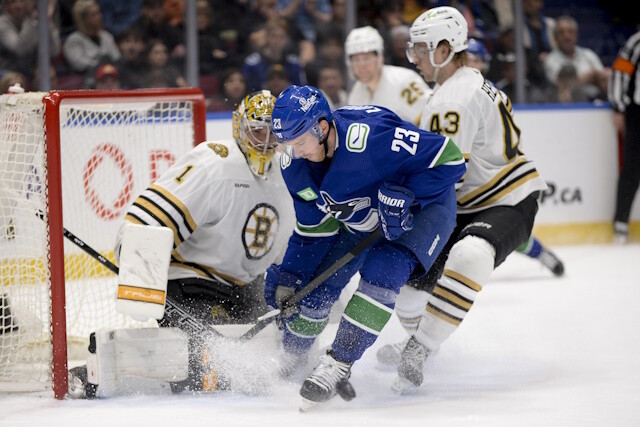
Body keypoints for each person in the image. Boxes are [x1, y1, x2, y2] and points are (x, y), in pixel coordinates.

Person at [68, 90, 295, 397]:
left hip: (245, 287)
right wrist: (141, 286)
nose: (266, 142)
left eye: (273, 133)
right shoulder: (215, 164)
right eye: (257, 131)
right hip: (192, 283)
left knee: (277, 359)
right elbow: (148, 218)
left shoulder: (287, 176)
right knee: (209, 371)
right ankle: (103, 370)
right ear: (239, 128)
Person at [266, 84, 465, 410]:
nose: (294, 151)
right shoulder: (295, 166)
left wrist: (409, 194)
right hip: (362, 219)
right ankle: (294, 352)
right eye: (286, 143)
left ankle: (338, 362)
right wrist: (290, 275)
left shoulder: (371, 137)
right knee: (315, 291)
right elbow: (314, 231)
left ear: (322, 127)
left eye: (299, 141)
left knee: (381, 272)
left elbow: (450, 158)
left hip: (422, 211)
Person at [382, 7, 548, 391]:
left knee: (470, 255)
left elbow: (445, 174)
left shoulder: (450, 99)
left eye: (421, 49)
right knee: (407, 276)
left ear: (445, 48)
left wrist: (399, 203)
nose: (415, 58)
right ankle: (422, 343)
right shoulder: (455, 86)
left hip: (506, 199)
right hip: (466, 204)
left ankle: (420, 348)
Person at [467, 37, 564, 276]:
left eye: (477, 60)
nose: (472, 64)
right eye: (468, 59)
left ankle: (540, 252)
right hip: (464, 171)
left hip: (488, 172)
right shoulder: (451, 90)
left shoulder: (489, 93)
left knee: (500, 226)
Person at [345, 26, 430, 125]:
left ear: (380, 57)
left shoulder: (404, 81)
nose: (362, 65)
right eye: (356, 60)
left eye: (366, 58)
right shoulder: (356, 92)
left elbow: (430, 119)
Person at [608, 30, 640, 244]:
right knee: (632, 168)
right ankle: (621, 223)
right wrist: (618, 106)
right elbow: (621, 71)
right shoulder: (637, 41)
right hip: (638, 112)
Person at [543, 15, 609, 102]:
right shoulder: (550, 60)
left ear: (576, 35)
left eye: (570, 32)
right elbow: (564, 86)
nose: (566, 36)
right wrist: (591, 74)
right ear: (555, 37)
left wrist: (588, 78)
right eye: (561, 32)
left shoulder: (588, 54)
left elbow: (603, 78)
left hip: (596, 101)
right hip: (570, 105)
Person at [62, 0, 120, 78]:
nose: (100, 17)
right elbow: (80, 65)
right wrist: (102, 64)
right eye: (94, 15)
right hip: (86, 81)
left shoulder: (106, 36)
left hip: (110, 78)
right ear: (84, 20)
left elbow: (117, 58)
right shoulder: (74, 40)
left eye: (99, 13)